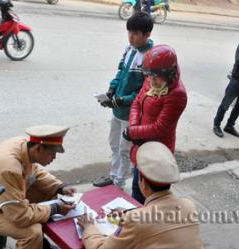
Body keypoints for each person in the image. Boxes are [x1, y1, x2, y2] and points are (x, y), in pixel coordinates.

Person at [0, 125, 76, 249]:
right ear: (38, 149)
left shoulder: (24, 145)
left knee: (50, 193)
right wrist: (54, 209)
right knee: (32, 232)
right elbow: (20, 217)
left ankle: (41, 245)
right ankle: (36, 243)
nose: (54, 158)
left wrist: (60, 187)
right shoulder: (9, 169)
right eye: (52, 153)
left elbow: (34, 171)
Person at [78, 142, 202, 249]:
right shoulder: (189, 205)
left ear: (143, 182)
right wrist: (129, 215)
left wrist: (89, 228)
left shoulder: (136, 220)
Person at [93, 12, 154, 190]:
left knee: (125, 149)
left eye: (135, 33)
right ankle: (113, 176)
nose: (131, 37)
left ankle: (118, 184)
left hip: (131, 114)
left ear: (147, 34)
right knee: (114, 144)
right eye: (129, 32)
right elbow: (120, 73)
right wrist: (112, 90)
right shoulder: (129, 49)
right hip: (117, 110)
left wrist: (121, 100)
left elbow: (144, 92)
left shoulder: (150, 58)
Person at [123, 44, 187, 204]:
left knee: (152, 198)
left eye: (156, 77)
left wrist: (133, 133)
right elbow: (137, 102)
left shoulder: (177, 94)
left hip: (157, 152)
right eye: (149, 76)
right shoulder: (152, 76)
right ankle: (136, 222)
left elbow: (161, 127)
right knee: (137, 187)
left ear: (170, 74)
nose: (151, 81)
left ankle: (145, 225)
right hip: (141, 144)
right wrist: (133, 128)